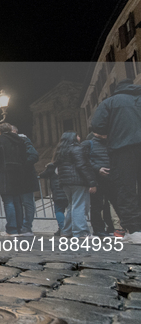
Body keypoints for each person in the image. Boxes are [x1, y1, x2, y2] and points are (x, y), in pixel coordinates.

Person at [91, 78, 141, 243]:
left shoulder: (109, 102)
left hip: (122, 149)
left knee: (126, 189)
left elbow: (97, 125)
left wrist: (112, 130)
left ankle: (134, 231)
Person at [0, 123, 27, 237]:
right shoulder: (20, 141)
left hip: (4, 174)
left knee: (8, 202)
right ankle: (19, 228)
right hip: (18, 173)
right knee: (17, 202)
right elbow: (25, 157)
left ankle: (12, 229)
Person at [54, 131, 97, 238]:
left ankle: (67, 231)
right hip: (78, 181)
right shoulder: (77, 148)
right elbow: (83, 166)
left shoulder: (60, 151)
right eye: (77, 135)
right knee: (79, 206)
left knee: (71, 206)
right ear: (72, 138)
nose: (79, 137)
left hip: (65, 183)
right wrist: (92, 182)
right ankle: (81, 232)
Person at [87, 132, 118, 237]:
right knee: (97, 205)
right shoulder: (89, 144)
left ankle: (113, 227)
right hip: (97, 179)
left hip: (111, 178)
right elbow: (85, 161)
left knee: (114, 203)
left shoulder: (112, 142)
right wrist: (98, 168)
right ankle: (98, 229)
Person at [12, 126, 39, 237]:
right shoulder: (13, 142)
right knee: (20, 204)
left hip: (26, 177)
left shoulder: (24, 141)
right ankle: (22, 227)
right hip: (18, 178)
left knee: (27, 203)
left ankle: (26, 227)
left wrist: (21, 166)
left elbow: (34, 156)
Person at [39, 162, 68, 236]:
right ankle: (69, 228)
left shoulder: (52, 167)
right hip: (68, 191)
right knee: (71, 210)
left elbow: (42, 175)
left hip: (57, 193)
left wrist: (48, 166)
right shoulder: (69, 164)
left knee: (59, 211)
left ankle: (63, 228)